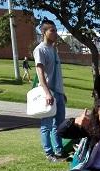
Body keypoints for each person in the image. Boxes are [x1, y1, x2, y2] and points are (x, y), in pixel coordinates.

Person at [33, 19, 67, 162]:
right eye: (52, 30)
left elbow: (57, 73)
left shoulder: (54, 49)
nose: (55, 33)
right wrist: (47, 92)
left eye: (55, 30)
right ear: (43, 32)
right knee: (46, 125)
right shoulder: (40, 49)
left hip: (58, 92)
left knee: (59, 125)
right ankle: (49, 154)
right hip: (48, 93)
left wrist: (62, 93)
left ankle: (59, 151)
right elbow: (40, 73)